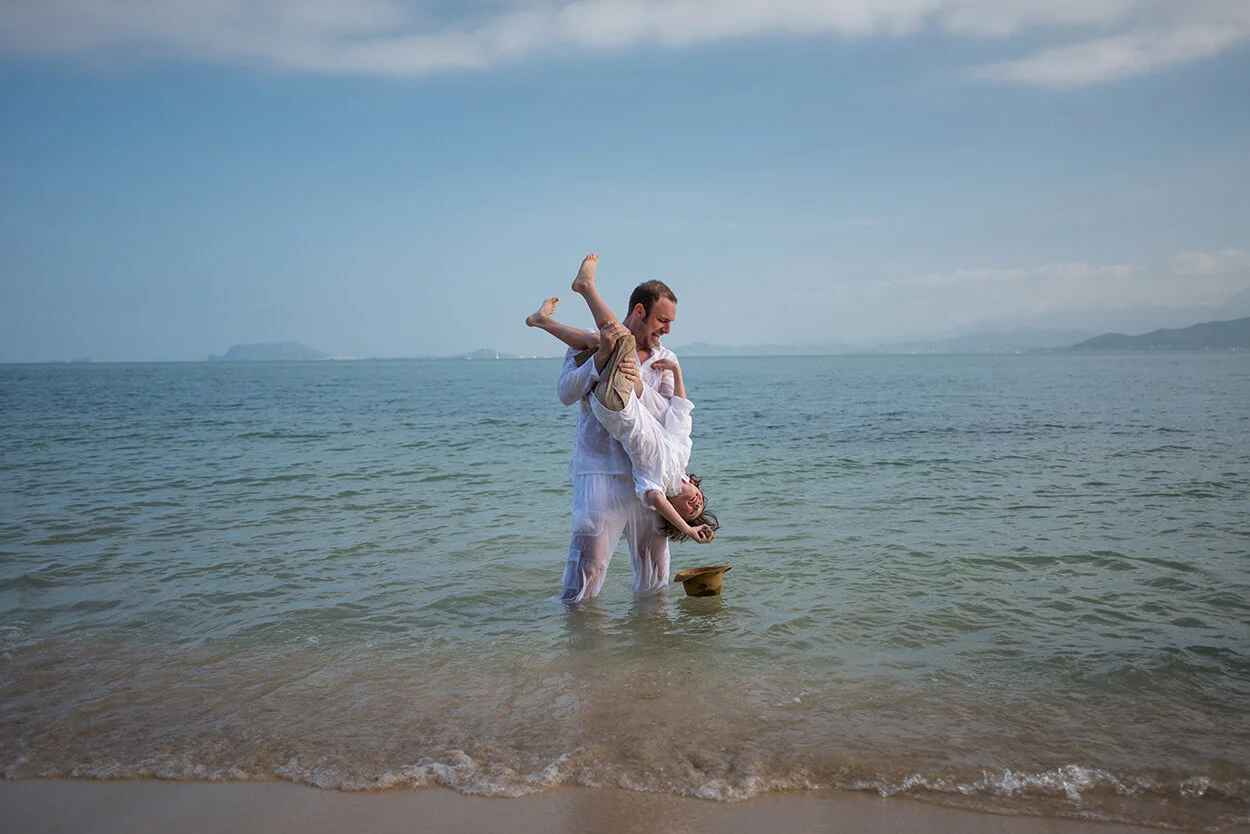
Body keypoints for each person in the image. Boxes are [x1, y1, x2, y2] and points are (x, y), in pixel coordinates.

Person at [524, 254, 708, 602]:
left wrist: (639, 387)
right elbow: (566, 393)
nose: (667, 330)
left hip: (649, 480)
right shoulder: (589, 341)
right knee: (584, 578)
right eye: (662, 320)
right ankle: (579, 654)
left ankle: (649, 654)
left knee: (655, 581)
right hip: (599, 472)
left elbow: (672, 417)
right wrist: (598, 359)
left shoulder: (666, 360)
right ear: (639, 311)